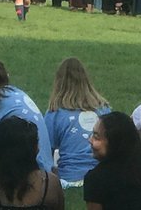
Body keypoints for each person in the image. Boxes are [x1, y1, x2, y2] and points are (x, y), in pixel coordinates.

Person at [44, 57, 111, 186]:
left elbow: (46, 152)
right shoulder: (104, 110)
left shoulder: (55, 113)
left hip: (69, 178)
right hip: (102, 177)